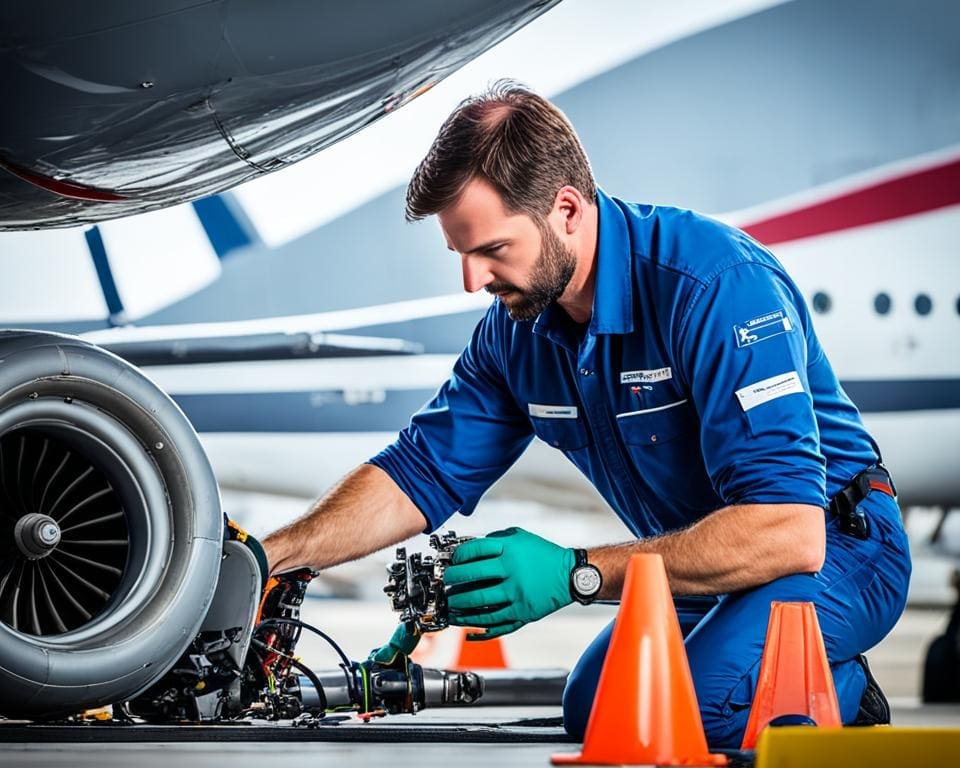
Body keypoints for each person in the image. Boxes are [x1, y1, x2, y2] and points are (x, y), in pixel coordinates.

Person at [262, 80, 911, 747]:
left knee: (690, 713)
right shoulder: (517, 331)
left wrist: (575, 572)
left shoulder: (716, 287)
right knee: (597, 711)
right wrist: (270, 556)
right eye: (459, 254)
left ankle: (845, 698)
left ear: (566, 210)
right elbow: (420, 471)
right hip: (699, 568)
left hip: (839, 554)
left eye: (491, 250)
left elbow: (788, 533)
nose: (472, 281)